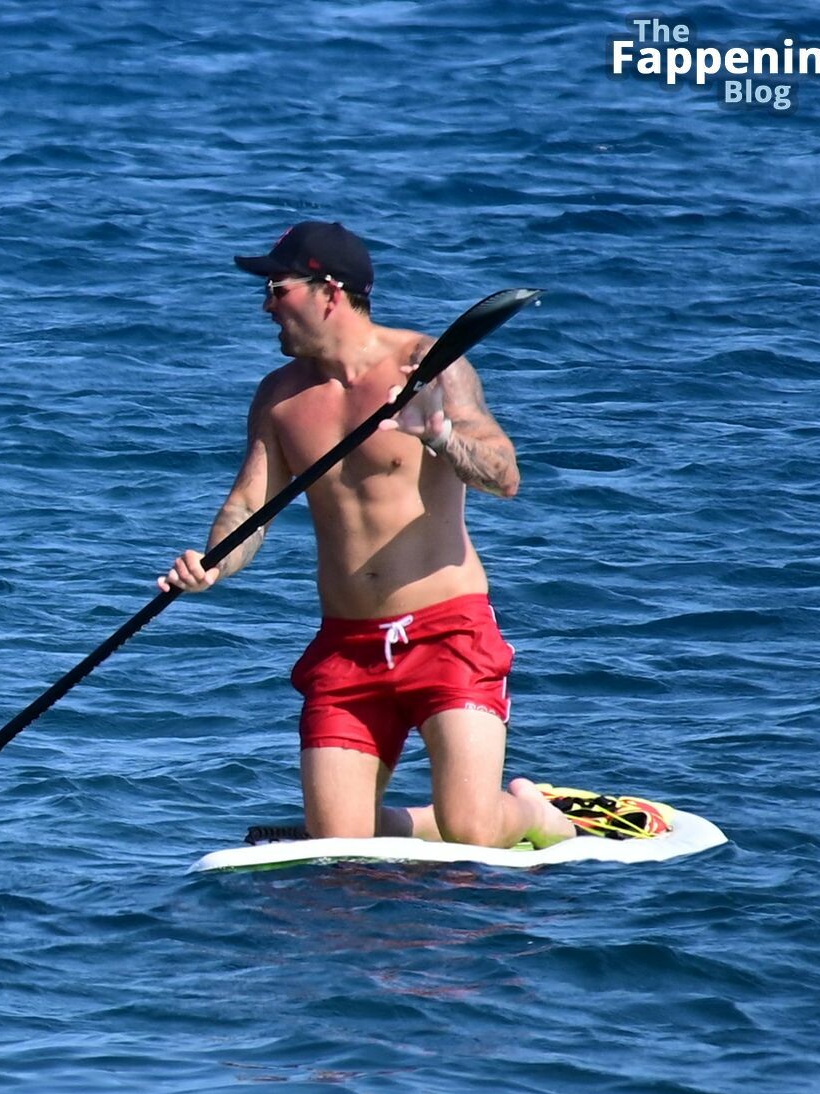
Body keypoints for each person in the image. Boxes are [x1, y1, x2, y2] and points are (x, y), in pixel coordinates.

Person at [158, 221, 573, 849]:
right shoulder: (278, 398)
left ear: (330, 291)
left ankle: (532, 811)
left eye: (277, 289)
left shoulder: (428, 364)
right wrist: (213, 565)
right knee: (339, 846)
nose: (266, 306)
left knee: (472, 830)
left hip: (448, 632)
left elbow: (505, 477)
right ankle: (426, 821)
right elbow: (250, 506)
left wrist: (440, 437)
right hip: (347, 647)